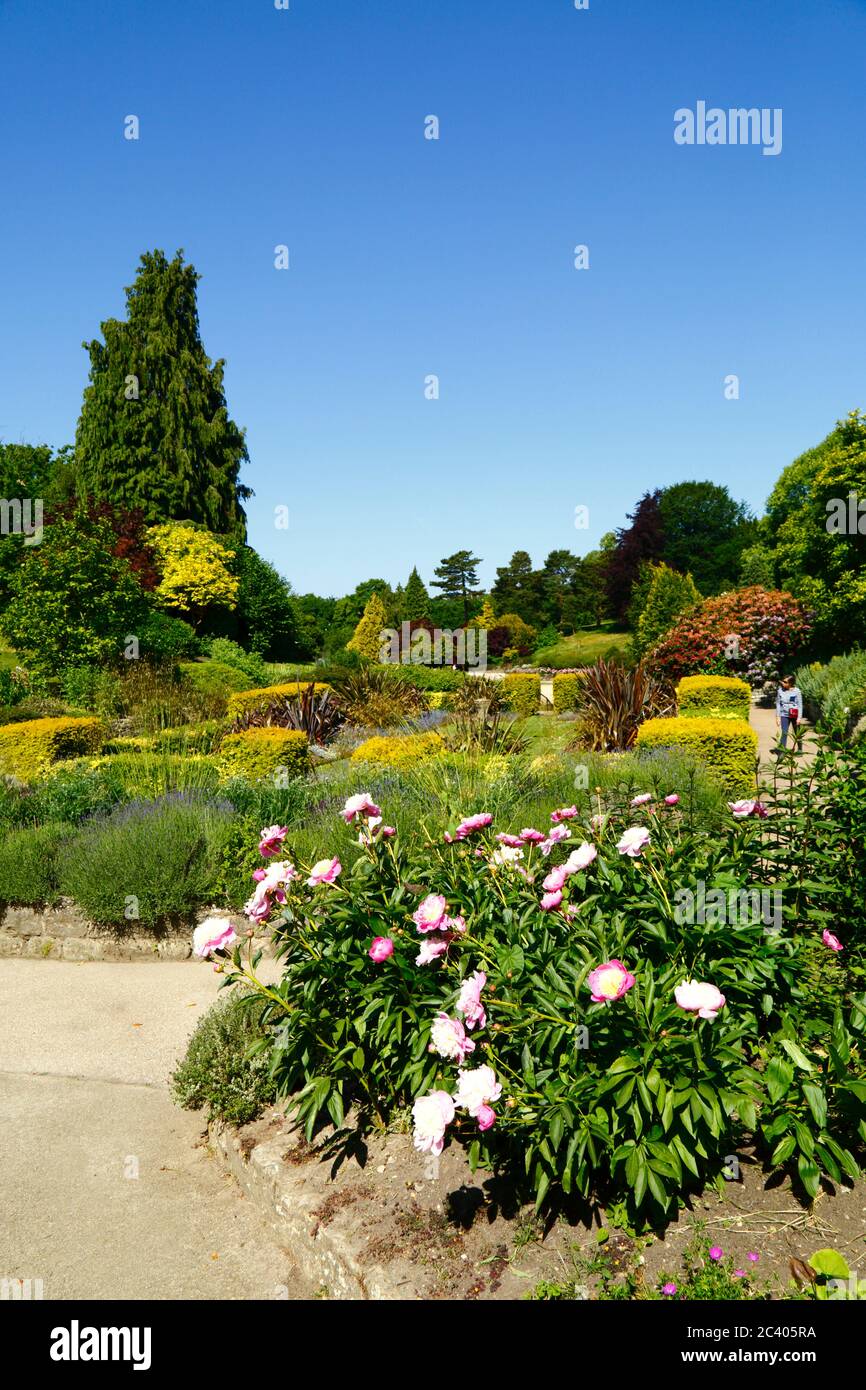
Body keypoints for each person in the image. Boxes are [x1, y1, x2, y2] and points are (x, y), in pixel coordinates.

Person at [775, 674, 803, 751]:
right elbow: (778, 704)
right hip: (784, 715)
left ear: (790, 683)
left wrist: (799, 718)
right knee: (784, 733)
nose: (783, 683)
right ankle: (782, 751)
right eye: (783, 681)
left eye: (785, 682)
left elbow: (800, 705)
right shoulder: (780, 691)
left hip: (795, 715)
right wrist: (777, 717)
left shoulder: (797, 691)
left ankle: (800, 749)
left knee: (797, 733)